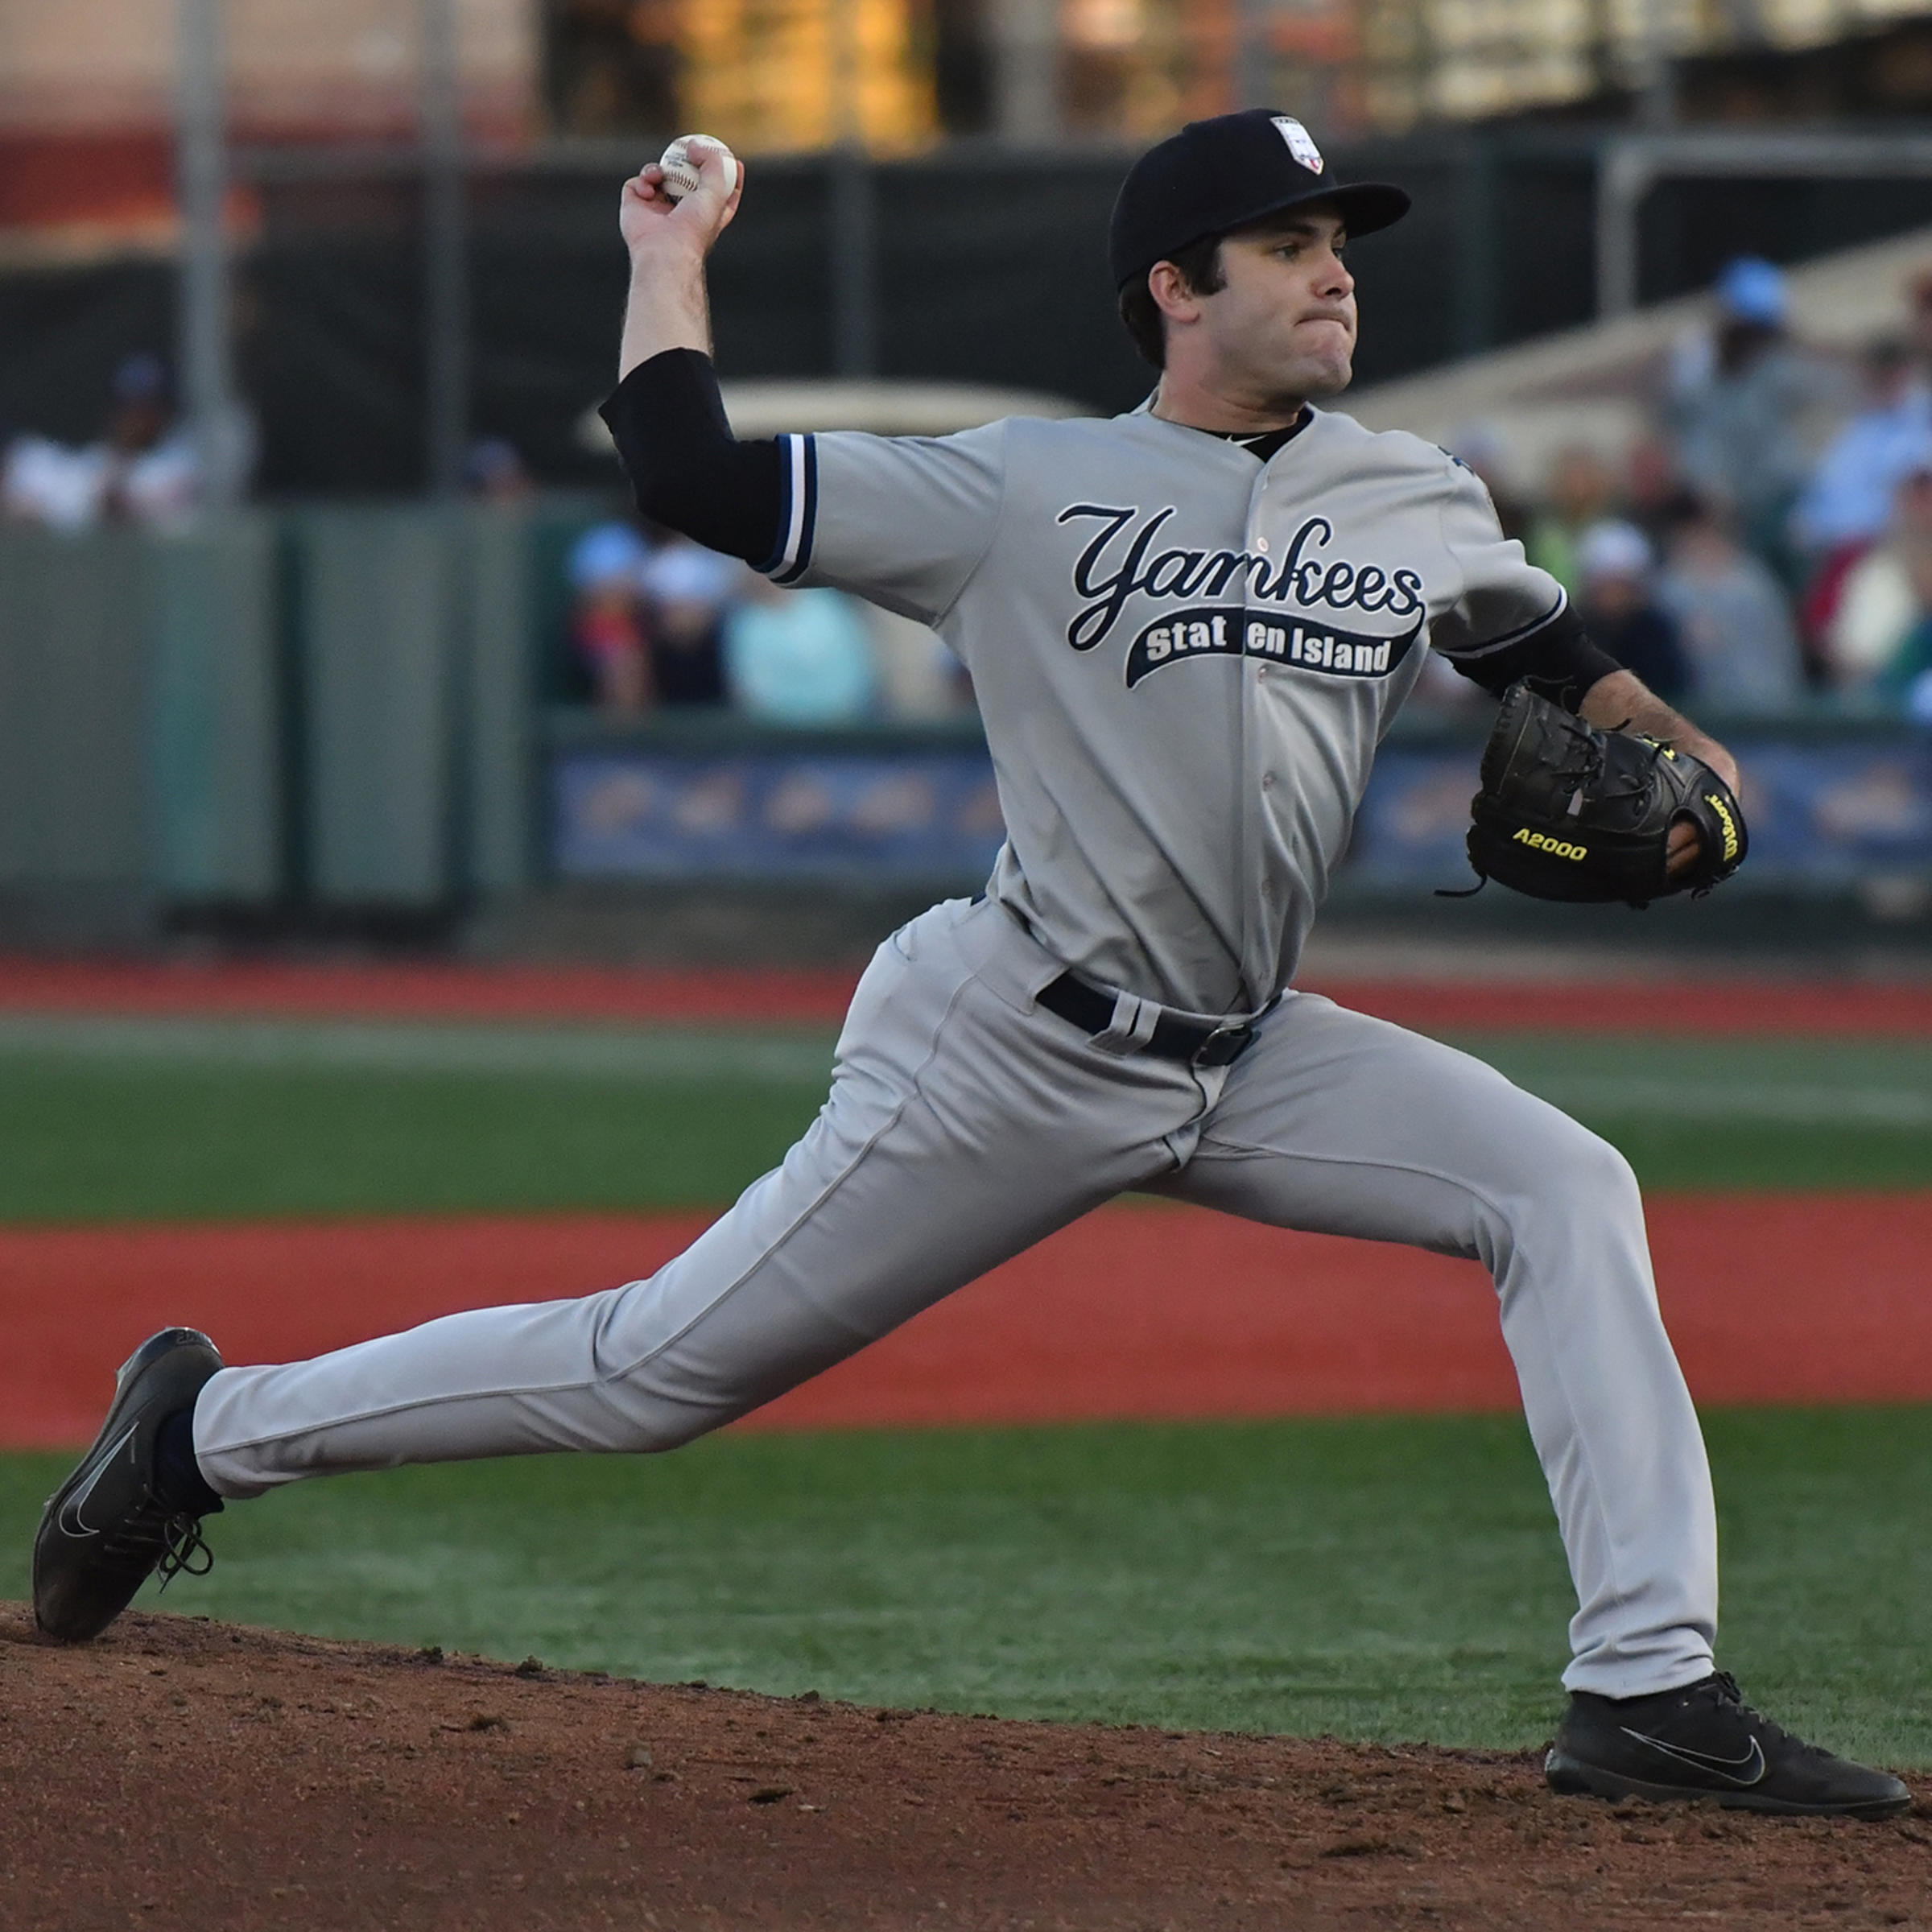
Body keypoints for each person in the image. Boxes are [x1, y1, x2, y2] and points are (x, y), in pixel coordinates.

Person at [32, 111, 1907, 1823]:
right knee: (653, 1366)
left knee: (1560, 1186)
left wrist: (1678, 748)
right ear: (1172, 289)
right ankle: (204, 1427)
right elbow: (687, 469)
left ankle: (1642, 1683)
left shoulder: (1406, 491)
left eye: (1340, 233)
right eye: (1284, 240)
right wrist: (665, 250)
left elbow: (1540, 653)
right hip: (1011, 1039)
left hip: (1251, 1047)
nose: (1334, 266)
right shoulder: (1014, 489)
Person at [1657, 496, 1804, 713]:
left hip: (1763, 708)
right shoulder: (1670, 588)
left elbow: (1781, 655)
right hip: (1695, 713)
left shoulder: (1754, 583)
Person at [723, 580, 877, 724]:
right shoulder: (745, 622)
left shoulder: (828, 607)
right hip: (773, 738)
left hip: (838, 731)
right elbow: (750, 693)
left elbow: (853, 680)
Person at [1573, 519, 1690, 700]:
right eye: (1607, 585)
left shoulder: (1657, 632)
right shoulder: (1573, 631)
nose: (1615, 596)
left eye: (1623, 586)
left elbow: (1673, 686)